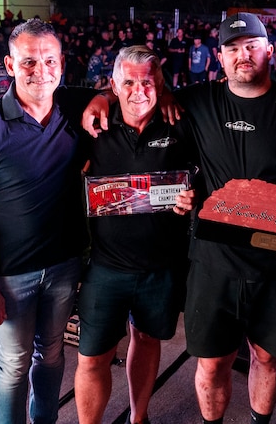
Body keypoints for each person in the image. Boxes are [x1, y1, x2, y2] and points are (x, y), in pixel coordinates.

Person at [83, 12, 276, 424]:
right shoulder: (196, 101)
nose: (243, 55)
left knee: (267, 358)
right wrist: (104, 97)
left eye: (251, 46)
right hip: (214, 263)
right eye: (233, 48)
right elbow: (141, 88)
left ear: (270, 50)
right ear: (220, 57)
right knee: (212, 364)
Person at [0, 18, 91, 424]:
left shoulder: (73, 108)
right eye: (29, 61)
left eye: (49, 61)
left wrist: (104, 99)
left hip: (64, 264)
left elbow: (120, 93)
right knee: (13, 364)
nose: (40, 71)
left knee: (51, 354)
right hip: (11, 274)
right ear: (10, 66)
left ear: (61, 63)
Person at [74, 46, 198, 424]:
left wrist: (194, 195)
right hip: (106, 267)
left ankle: (138, 418)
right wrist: (101, 98)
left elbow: (203, 174)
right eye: (128, 82)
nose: (138, 91)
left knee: (146, 340)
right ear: (113, 85)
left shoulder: (179, 123)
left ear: (160, 84)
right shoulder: (94, 124)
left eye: (148, 82)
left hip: (161, 268)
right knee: (92, 356)